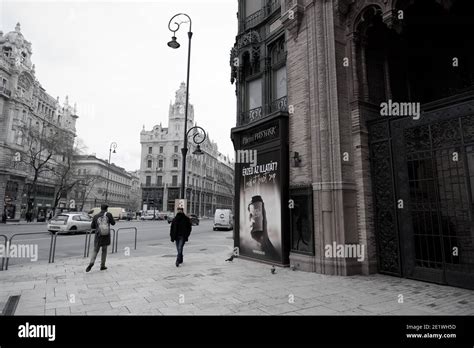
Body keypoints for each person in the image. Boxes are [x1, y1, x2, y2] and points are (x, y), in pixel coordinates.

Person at [86, 204, 115, 272]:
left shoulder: (96, 216)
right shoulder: (109, 214)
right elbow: (113, 223)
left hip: (98, 235)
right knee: (104, 251)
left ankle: (91, 263)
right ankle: (102, 265)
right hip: (106, 235)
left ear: (100, 208)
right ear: (106, 209)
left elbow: (92, 226)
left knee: (95, 250)